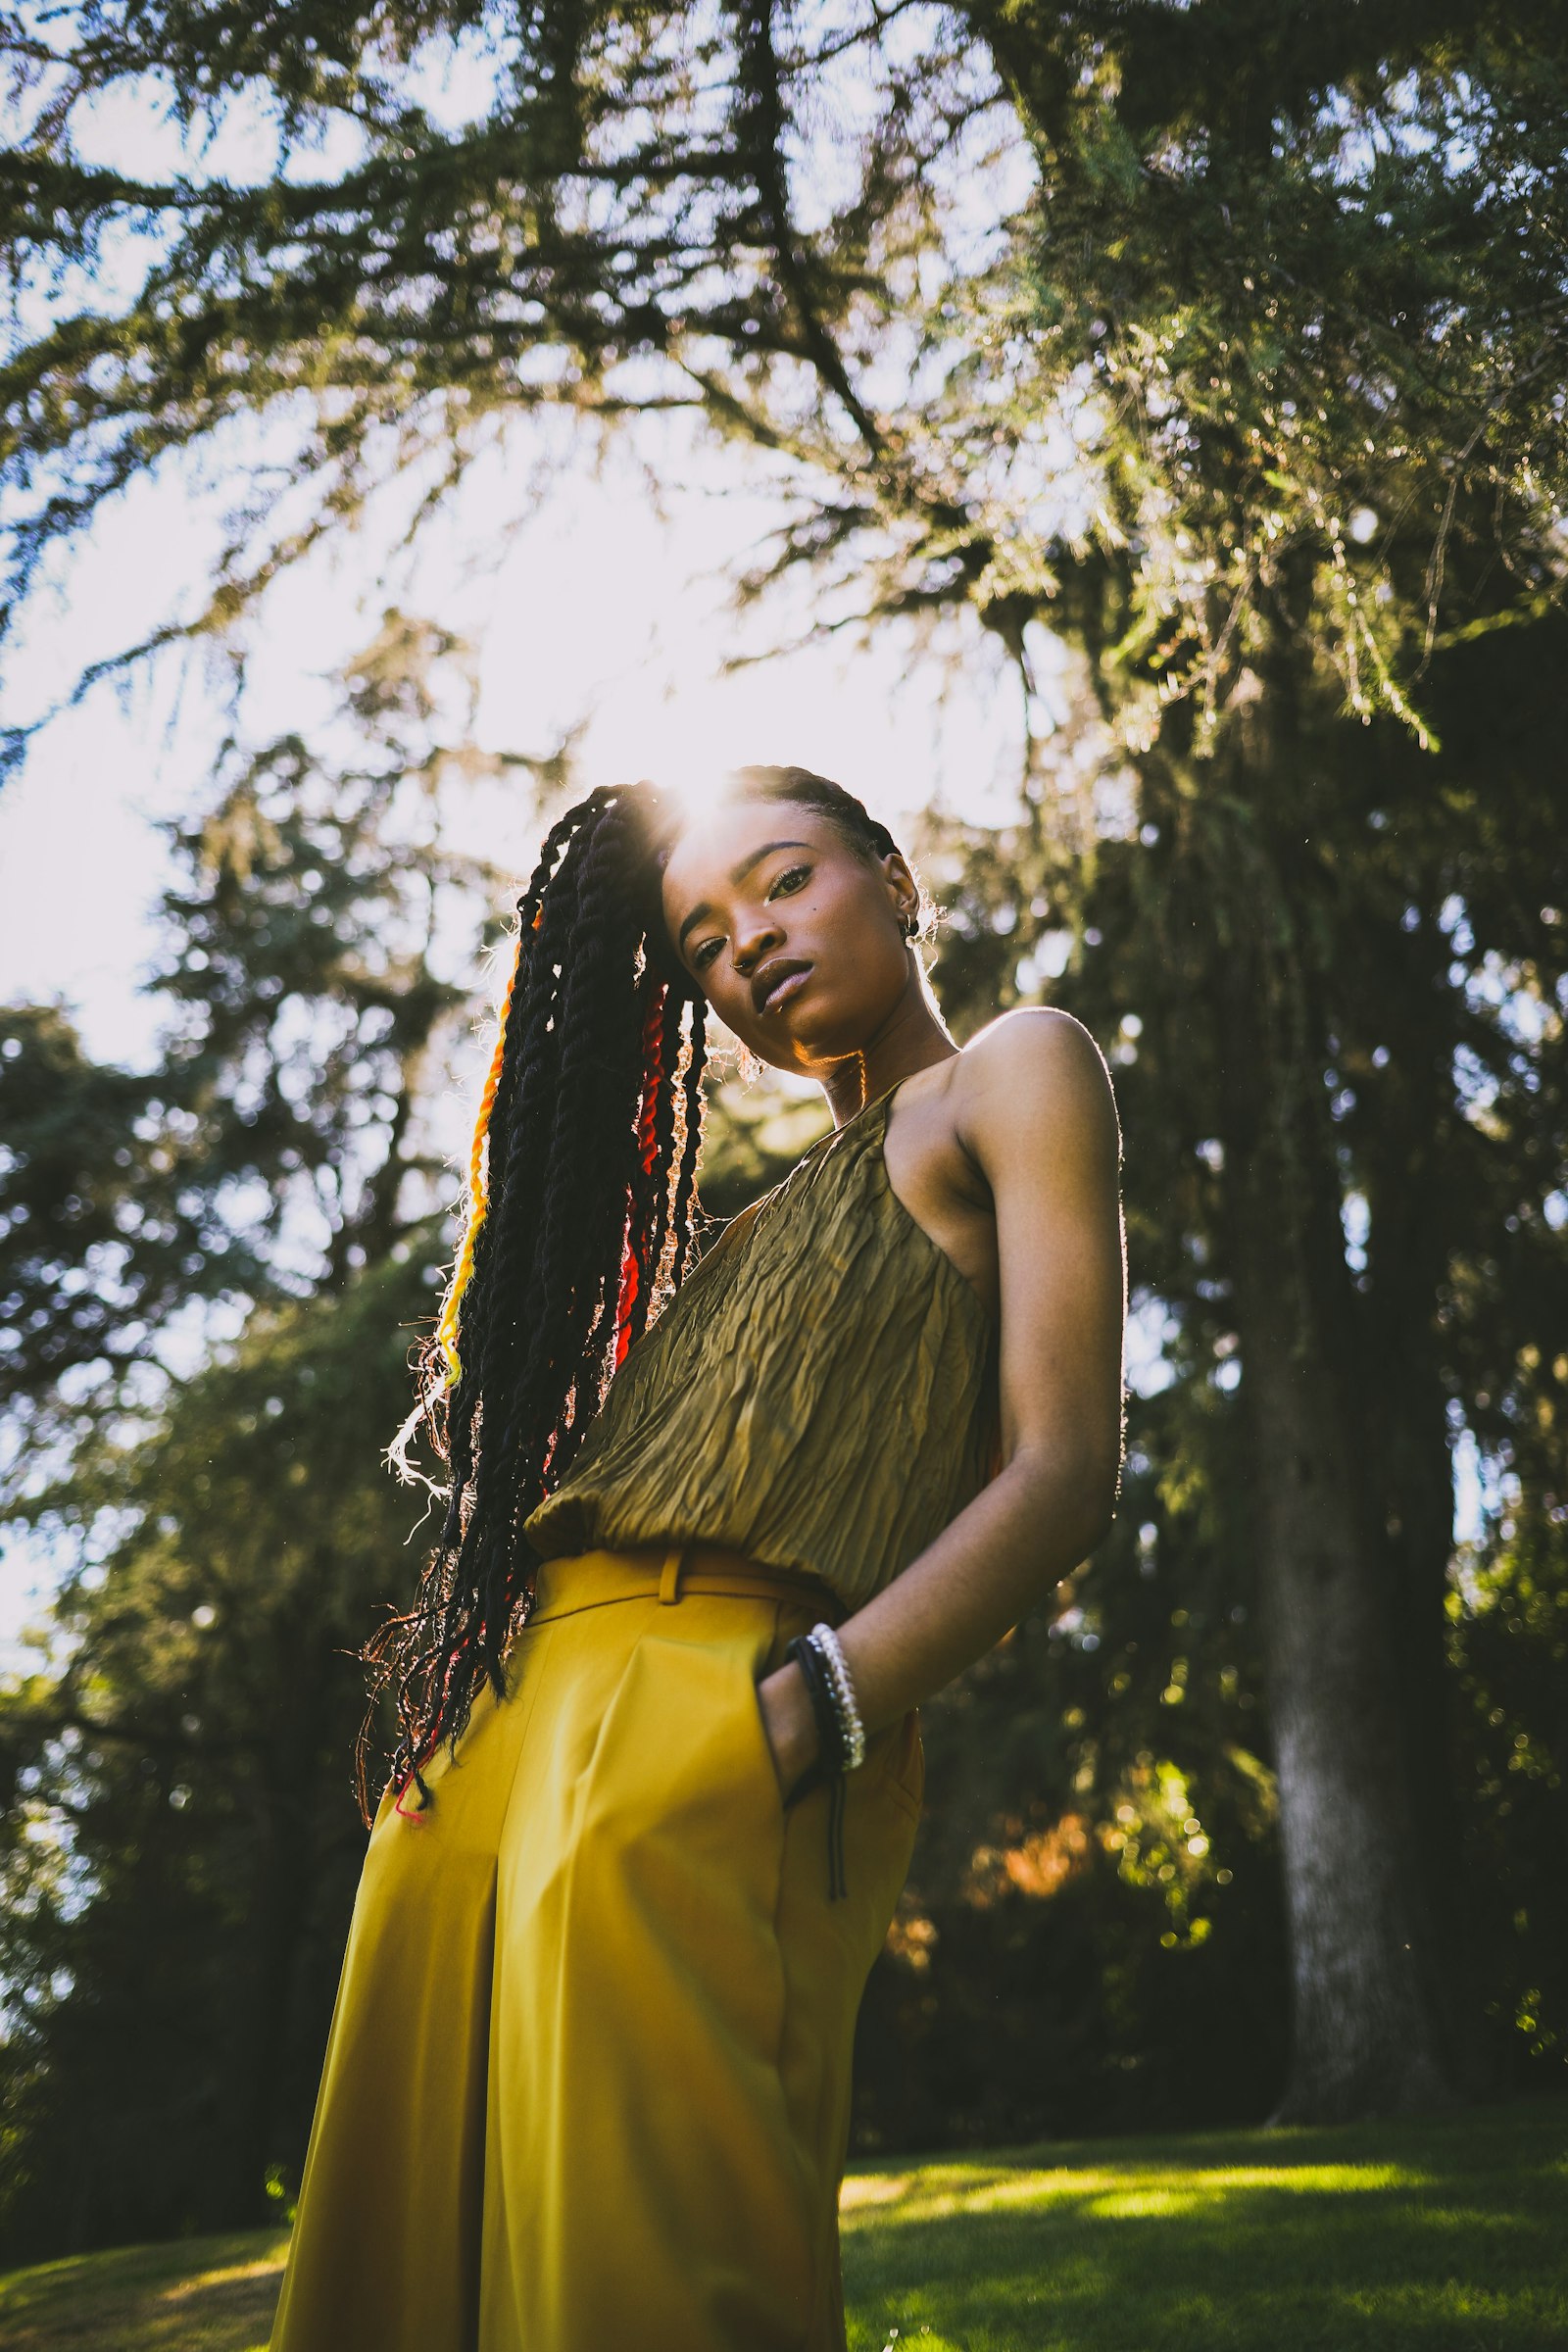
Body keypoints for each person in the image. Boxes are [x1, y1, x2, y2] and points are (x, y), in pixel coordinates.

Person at [270, 764, 1125, 2352]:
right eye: (708, 942)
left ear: (889, 875)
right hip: (503, 1741)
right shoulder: (729, 1240)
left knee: (646, 2263)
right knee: (401, 2269)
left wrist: (821, 1706)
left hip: (723, 1705)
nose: (754, 943)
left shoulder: (1012, 1073)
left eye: (785, 881)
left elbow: (1064, 1471)